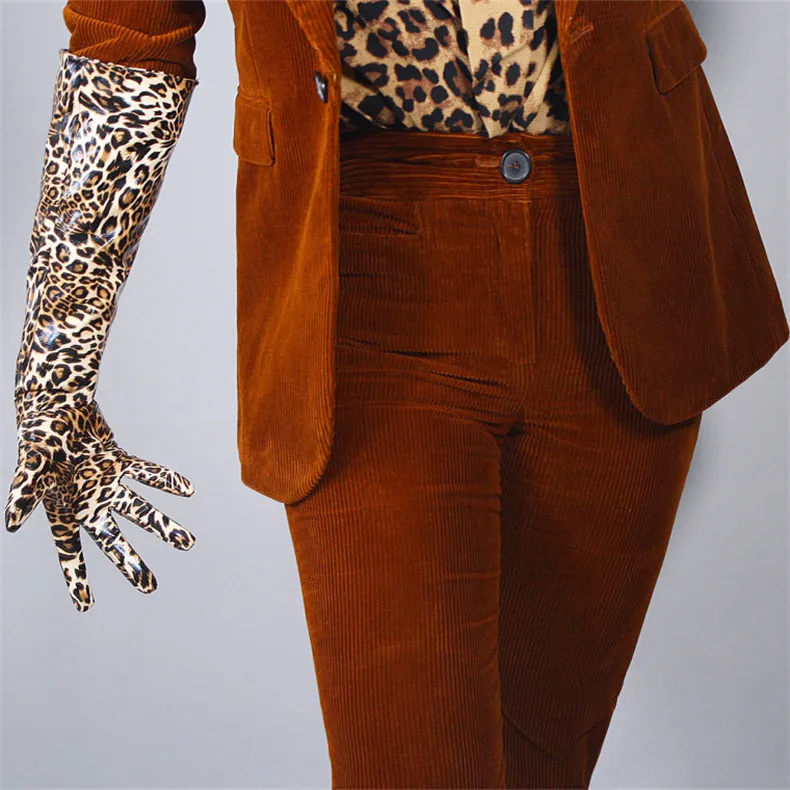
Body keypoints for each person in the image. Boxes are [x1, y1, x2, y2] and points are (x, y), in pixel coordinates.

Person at [5, 1, 788, 787]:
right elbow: (127, 39)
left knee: (537, 771)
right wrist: (55, 369)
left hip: (625, 254)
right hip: (367, 274)